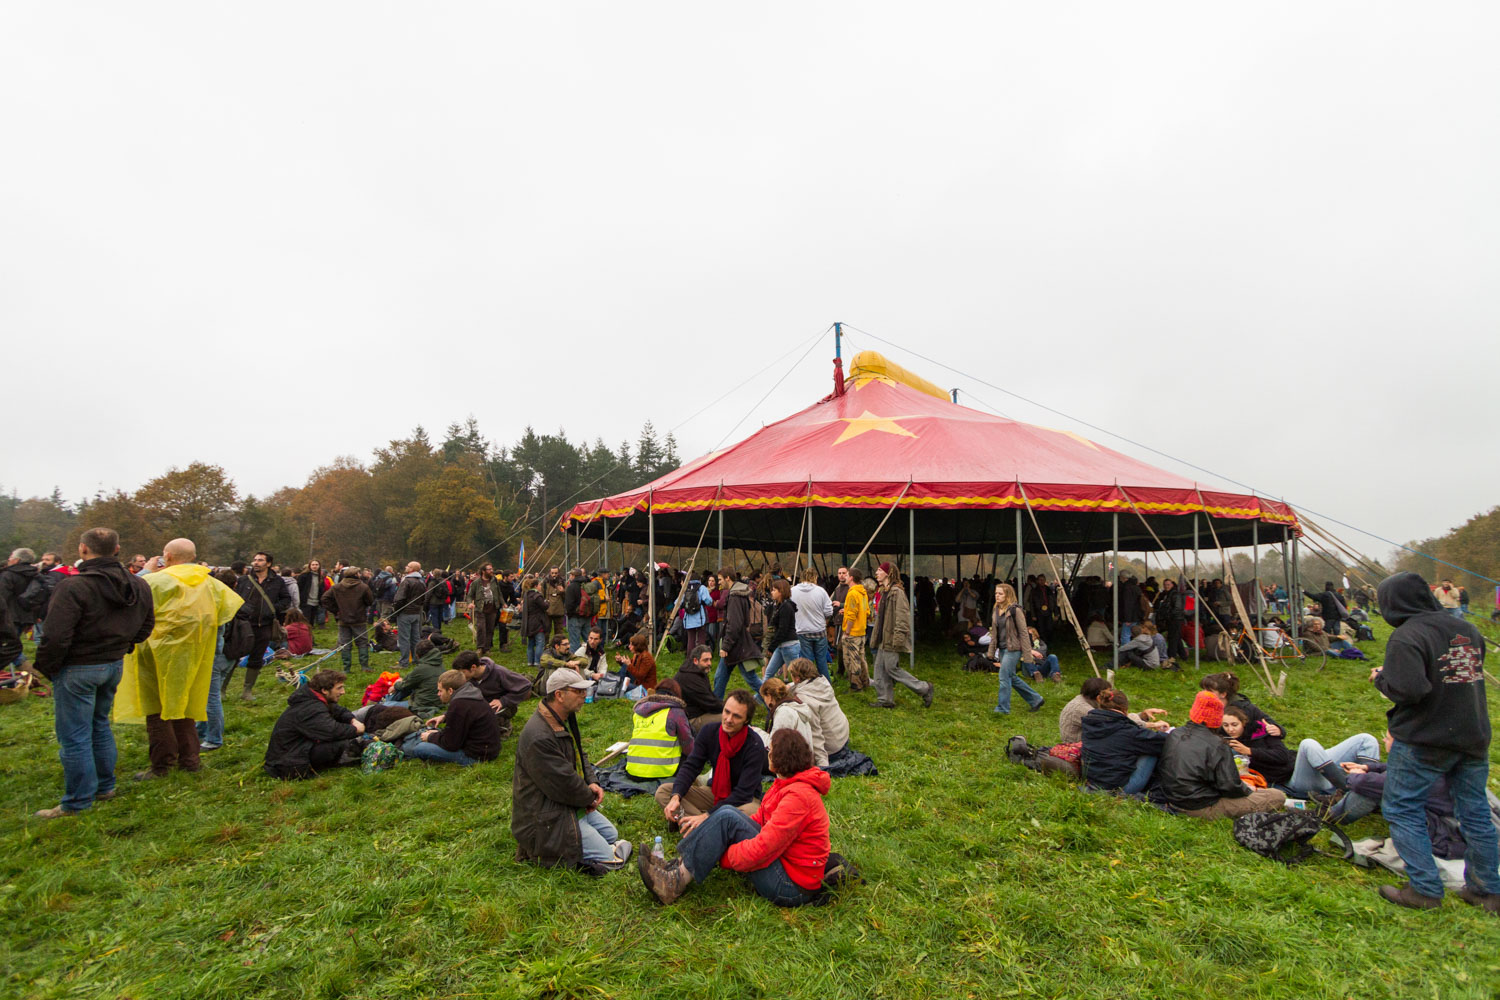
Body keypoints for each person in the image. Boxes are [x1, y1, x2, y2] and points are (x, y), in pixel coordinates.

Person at [1369, 571, 1498, 911]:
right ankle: (1487, 890)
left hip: (1426, 737)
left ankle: (1425, 889)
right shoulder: (1467, 629)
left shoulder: (1406, 637)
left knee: (1401, 806)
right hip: (1472, 734)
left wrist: (1382, 679)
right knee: (1475, 812)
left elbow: (1410, 690)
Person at [31, 528, 155, 818]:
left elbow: (55, 635)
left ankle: (77, 801)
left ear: (83, 549)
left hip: (80, 667)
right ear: (117, 549)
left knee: (75, 735)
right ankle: (103, 786)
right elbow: (146, 626)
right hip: (111, 664)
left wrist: (46, 668)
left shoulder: (74, 587)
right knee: (99, 725)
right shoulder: (138, 585)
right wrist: (123, 645)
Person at [640, 728, 831, 907]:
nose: (767, 754)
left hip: (791, 886)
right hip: (785, 864)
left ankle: (674, 883)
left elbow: (763, 848)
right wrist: (718, 840)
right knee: (728, 814)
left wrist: (723, 855)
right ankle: (678, 867)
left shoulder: (798, 797)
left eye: (770, 750)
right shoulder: (787, 784)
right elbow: (759, 821)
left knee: (726, 816)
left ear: (780, 758)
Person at [115, 537, 244, 780]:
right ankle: (190, 760)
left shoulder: (155, 580)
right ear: (193, 557)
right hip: (194, 654)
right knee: (185, 704)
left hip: (157, 652)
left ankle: (162, 765)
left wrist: (146, 570)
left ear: (168, 557)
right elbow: (222, 613)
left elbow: (128, 594)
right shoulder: (208, 583)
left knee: (157, 708)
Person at [512, 667, 632, 873]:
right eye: (578, 691)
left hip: (563, 803)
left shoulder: (563, 716)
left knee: (612, 835)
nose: (584, 695)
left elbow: (579, 752)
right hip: (544, 816)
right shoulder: (539, 736)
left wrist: (592, 781)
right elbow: (563, 783)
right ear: (559, 695)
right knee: (613, 861)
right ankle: (543, 851)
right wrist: (588, 798)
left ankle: (588, 843)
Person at [1156, 691, 1286, 818]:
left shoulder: (1175, 734)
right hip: (1200, 805)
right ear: (1217, 718)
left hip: (1172, 797)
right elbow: (1230, 787)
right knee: (1277, 796)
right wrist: (1249, 790)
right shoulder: (1217, 744)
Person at [654, 689, 767, 822]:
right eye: (727, 712)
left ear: (746, 720)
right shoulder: (709, 732)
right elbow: (691, 766)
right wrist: (676, 796)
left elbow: (743, 793)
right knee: (664, 792)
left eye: (736, 716)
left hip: (744, 800)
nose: (729, 719)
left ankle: (699, 824)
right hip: (715, 792)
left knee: (750, 813)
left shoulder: (754, 745)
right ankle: (707, 826)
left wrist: (706, 816)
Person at [262, 668, 365, 779]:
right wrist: (356, 730)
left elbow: (338, 710)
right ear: (325, 690)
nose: (343, 692)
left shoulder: (314, 698)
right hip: (288, 764)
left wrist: (352, 720)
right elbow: (332, 731)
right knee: (342, 744)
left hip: (295, 750)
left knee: (343, 737)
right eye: (339, 688)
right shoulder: (311, 708)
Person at [402, 669, 502, 765]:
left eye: (440, 691)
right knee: (434, 734)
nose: (438, 694)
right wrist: (445, 717)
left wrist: (431, 737)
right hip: (488, 750)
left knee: (421, 748)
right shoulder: (470, 694)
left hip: (476, 756)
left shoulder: (459, 705)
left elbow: (451, 744)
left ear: (450, 690)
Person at [868, 562, 933, 710]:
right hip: (883, 639)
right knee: (879, 669)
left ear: (888, 573)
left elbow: (902, 618)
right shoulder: (885, 591)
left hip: (891, 638)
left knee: (891, 669)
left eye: (879, 570)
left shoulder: (897, 592)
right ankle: (885, 699)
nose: (876, 573)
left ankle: (924, 688)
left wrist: (898, 638)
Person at [1081, 688, 1168, 794]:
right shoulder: (1127, 731)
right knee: (1152, 749)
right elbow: (1162, 742)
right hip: (1121, 788)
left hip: (1092, 781)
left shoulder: (1090, 723)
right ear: (1125, 709)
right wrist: (1166, 733)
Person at [231, 551, 291, 701]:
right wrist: (242, 610)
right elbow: (234, 597)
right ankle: (222, 689)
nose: (256, 562)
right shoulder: (245, 580)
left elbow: (286, 599)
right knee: (234, 654)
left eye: (260, 560)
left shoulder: (277, 581)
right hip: (244, 623)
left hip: (264, 624)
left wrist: (272, 609)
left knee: (257, 657)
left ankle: (247, 691)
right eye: (255, 560)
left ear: (268, 564)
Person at [625, 678, 695, 781]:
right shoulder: (675, 712)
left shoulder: (638, 712)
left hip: (633, 772)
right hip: (662, 772)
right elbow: (689, 748)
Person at [991, 583, 1044, 715]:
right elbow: (994, 633)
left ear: (1008, 595)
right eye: (996, 593)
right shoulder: (996, 609)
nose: (997, 596)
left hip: (1014, 649)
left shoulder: (1016, 610)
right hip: (1003, 648)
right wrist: (991, 651)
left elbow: (1024, 633)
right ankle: (1036, 699)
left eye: (1000, 593)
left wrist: (1027, 655)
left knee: (1003, 677)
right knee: (1011, 677)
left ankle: (1002, 709)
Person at [453, 649, 532, 737]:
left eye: (463, 672)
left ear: (473, 667)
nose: (461, 676)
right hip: (481, 705)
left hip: (501, 706)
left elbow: (525, 685)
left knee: (488, 722)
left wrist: (503, 701)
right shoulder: (467, 679)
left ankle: (504, 727)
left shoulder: (499, 672)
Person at [784, 656, 850, 758]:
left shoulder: (805, 700)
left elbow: (815, 733)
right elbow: (801, 683)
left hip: (832, 748)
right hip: (843, 736)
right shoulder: (822, 682)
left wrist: (822, 763)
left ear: (797, 678)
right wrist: (790, 686)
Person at [714, 570, 765, 699]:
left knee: (752, 679)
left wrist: (725, 646)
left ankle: (773, 701)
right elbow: (746, 620)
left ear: (727, 578)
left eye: (720, 579)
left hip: (737, 645)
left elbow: (734, 624)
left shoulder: (735, 597)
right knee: (720, 678)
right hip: (737, 643)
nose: (718, 582)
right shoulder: (740, 594)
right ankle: (715, 707)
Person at [761, 676, 827, 767]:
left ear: (769, 696)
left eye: (764, 697)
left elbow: (775, 744)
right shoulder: (794, 706)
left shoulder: (784, 712)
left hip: (792, 764)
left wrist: (758, 733)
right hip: (802, 760)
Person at [323, 566, 374, 669]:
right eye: (359, 573)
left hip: (343, 619)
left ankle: (346, 668)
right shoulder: (363, 587)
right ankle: (365, 666)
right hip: (359, 619)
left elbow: (325, 599)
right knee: (362, 643)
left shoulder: (337, 587)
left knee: (345, 644)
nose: (360, 575)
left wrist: (336, 610)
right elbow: (370, 601)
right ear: (356, 575)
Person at [791, 568, 834, 680]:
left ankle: (809, 685)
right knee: (821, 661)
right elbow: (829, 611)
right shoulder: (821, 591)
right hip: (819, 630)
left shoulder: (793, 591)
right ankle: (826, 685)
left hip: (802, 630)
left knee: (807, 662)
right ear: (815, 577)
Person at [387, 638, 446, 718]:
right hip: (438, 701)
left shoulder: (422, 668)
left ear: (418, 655)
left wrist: (396, 684)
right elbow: (411, 679)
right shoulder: (440, 664)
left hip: (422, 705)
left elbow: (405, 685)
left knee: (385, 705)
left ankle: (385, 699)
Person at [673, 644, 725, 732]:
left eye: (710, 659)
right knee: (729, 719)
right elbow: (709, 703)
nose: (709, 663)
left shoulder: (695, 672)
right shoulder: (691, 678)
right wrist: (729, 709)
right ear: (695, 660)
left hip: (693, 714)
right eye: (705, 660)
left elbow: (710, 700)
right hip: (689, 720)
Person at [763, 579, 802, 681]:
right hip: (781, 646)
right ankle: (760, 696)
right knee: (769, 673)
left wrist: (771, 646)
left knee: (796, 676)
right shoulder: (780, 606)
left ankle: (802, 695)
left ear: (781, 592)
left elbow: (782, 630)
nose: (772, 592)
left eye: (774, 590)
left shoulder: (786, 607)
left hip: (789, 645)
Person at [839, 567, 871, 691]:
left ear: (851, 578)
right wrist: (846, 610)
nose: (844, 577)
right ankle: (865, 681)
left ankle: (856, 685)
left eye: (846, 575)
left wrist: (847, 632)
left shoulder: (852, 593)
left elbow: (852, 615)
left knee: (852, 659)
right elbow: (866, 611)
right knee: (862, 658)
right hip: (862, 631)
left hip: (852, 633)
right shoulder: (863, 593)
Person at [392, 562, 427, 667]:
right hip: (416, 613)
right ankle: (416, 660)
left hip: (405, 613)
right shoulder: (422, 582)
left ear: (412, 569)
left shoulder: (406, 581)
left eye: (408, 566)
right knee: (415, 638)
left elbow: (399, 598)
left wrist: (396, 611)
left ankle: (404, 662)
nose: (405, 567)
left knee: (404, 638)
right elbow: (423, 599)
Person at [467, 564, 504, 656]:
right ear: (483, 571)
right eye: (489, 569)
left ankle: (487, 648)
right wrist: (470, 603)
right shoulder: (476, 582)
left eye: (492, 569)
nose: (492, 571)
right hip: (480, 608)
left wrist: (503, 603)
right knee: (481, 628)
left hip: (492, 608)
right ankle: (480, 648)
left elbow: (499, 593)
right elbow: (469, 595)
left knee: (490, 629)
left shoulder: (494, 580)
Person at [679, 571, 712, 656]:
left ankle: (690, 658)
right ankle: (701, 657)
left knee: (691, 639)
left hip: (688, 617)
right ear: (699, 579)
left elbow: (677, 603)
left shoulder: (685, 588)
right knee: (701, 638)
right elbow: (709, 601)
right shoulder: (702, 588)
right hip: (700, 617)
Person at [521, 574, 549, 667]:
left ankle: (530, 661)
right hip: (537, 622)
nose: (541, 587)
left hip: (528, 622)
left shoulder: (526, 595)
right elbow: (544, 607)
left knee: (530, 643)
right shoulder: (537, 596)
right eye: (540, 585)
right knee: (540, 643)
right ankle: (537, 661)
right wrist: (547, 602)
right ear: (536, 586)